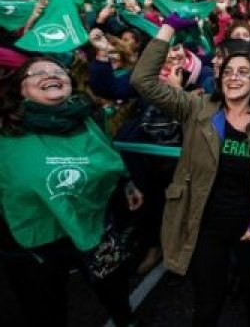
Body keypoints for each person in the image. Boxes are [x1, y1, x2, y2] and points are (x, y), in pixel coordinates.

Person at [130, 13, 250, 326]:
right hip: (205, 225)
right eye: (228, 72)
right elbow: (143, 82)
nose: (233, 77)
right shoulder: (197, 107)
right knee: (207, 304)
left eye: (243, 72)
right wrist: (168, 29)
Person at [0, 57, 144, 326]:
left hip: (96, 223)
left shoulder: (85, 116)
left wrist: (127, 183)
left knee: (114, 290)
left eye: (58, 71)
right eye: (38, 73)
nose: (51, 74)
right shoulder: (6, 128)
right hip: (37, 239)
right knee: (45, 309)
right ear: (20, 88)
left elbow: (107, 157)